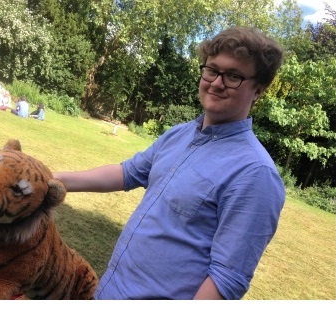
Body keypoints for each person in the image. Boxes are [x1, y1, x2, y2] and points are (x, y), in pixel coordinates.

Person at [53, 26, 286, 300]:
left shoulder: (255, 174)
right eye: (212, 69)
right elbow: (128, 172)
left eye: (233, 76)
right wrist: (54, 180)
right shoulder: (180, 134)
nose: (217, 82)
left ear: (258, 90)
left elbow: (227, 279)